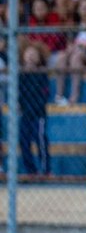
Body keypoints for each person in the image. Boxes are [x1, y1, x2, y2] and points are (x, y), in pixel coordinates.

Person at [19, 41, 51, 176]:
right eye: (28, 54)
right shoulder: (21, 74)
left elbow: (45, 94)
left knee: (41, 141)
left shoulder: (42, 73)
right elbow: (18, 93)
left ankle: (46, 170)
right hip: (25, 114)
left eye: (34, 54)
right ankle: (31, 171)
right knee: (23, 141)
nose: (31, 56)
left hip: (39, 115)